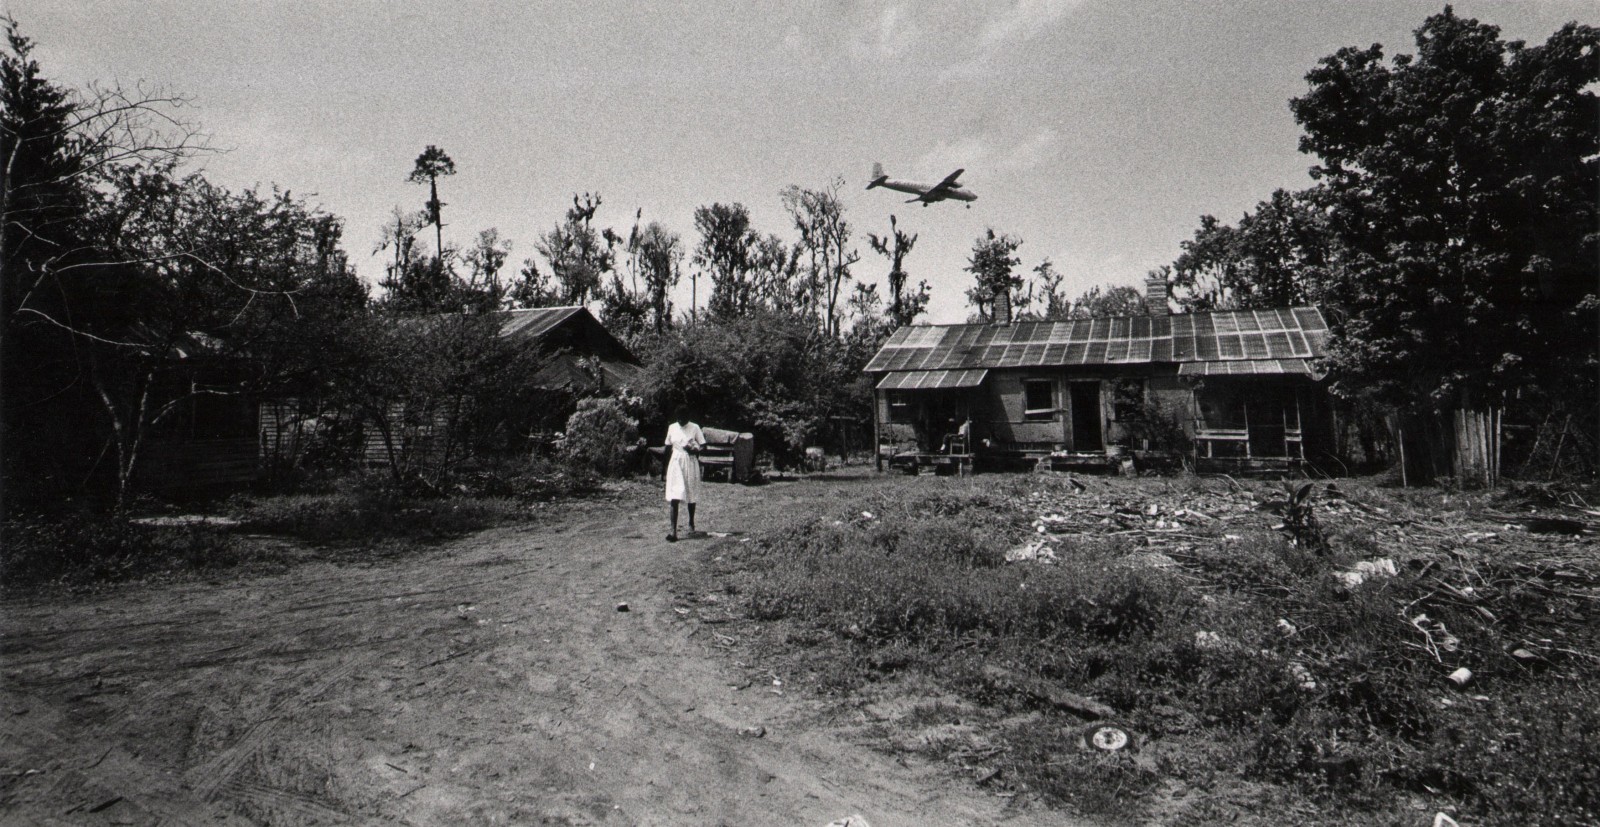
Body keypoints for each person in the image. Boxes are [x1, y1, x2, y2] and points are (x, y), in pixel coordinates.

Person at [663, 406, 706, 541]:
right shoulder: (672, 427)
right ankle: (673, 531)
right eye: (679, 419)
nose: (681, 421)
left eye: (683, 419)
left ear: (688, 418)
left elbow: (703, 445)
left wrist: (695, 449)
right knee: (674, 495)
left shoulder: (695, 427)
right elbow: (667, 447)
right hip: (676, 462)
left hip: (690, 461)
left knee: (690, 492)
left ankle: (691, 522)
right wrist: (664, 468)